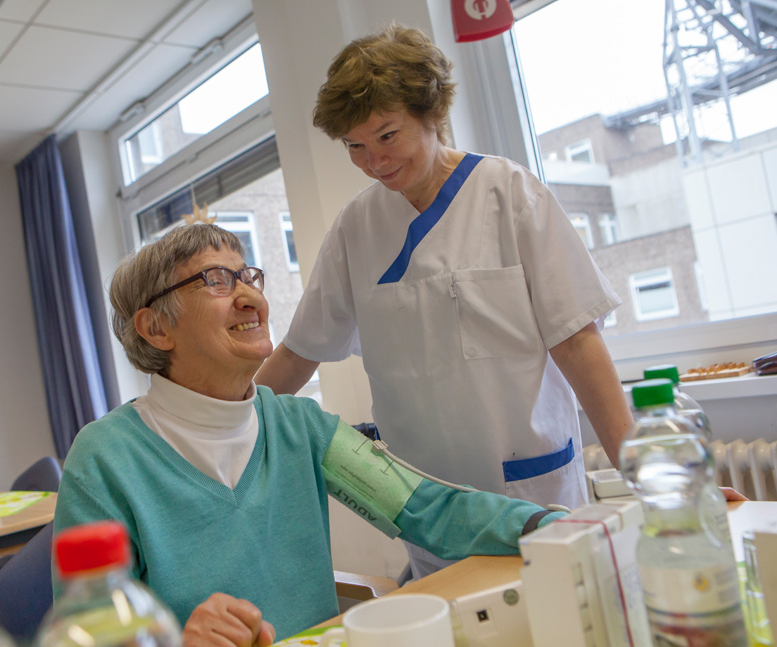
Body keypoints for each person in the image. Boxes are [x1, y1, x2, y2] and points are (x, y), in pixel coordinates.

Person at [54, 224, 567, 647]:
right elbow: (90, 637)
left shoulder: (299, 427)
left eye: (247, 276)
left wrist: (552, 524)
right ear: (156, 329)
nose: (250, 296)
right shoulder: (105, 459)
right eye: (216, 280)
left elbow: (427, 509)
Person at [253, 24, 632, 578]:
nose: (374, 160)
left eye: (387, 135)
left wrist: (648, 475)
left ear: (432, 113)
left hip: (530, 489)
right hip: (426, 505)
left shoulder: (509, 194)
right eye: (355, 146)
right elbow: (298, 351)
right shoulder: (356, 227)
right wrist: (220, 421)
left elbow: (577, 340)